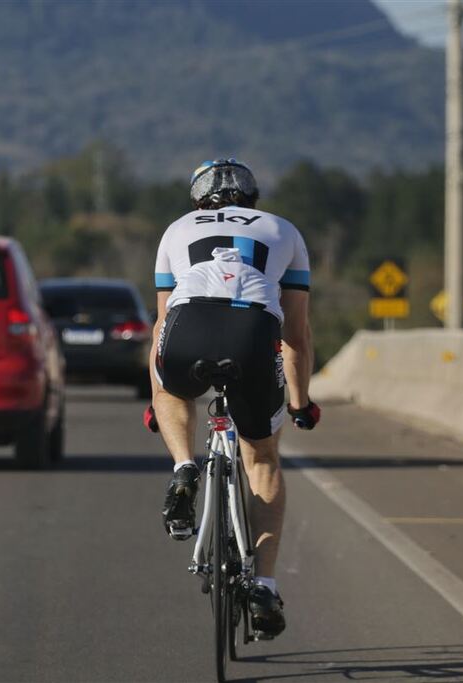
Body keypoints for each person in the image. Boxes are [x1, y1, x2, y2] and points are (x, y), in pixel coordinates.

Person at [144, 158, 321, 639]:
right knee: (261, 458)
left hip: (188, 324)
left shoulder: (177, 229)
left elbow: (162, 324)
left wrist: (156, 393)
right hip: (252, 329)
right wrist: (301, 404)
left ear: (198, 199)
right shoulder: (284, 230)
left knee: (172, 390)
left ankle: (184, 466)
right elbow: (297, 335)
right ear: (252, 198)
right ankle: (262, 583)